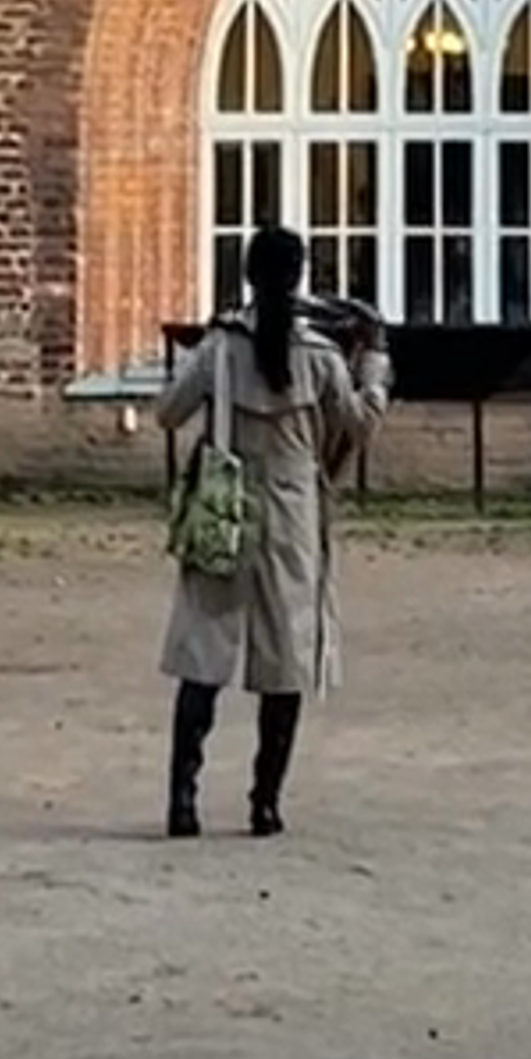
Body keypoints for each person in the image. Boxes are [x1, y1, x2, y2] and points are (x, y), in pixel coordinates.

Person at [158, 221, 382, 837]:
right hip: (292, 514)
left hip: (224, 506)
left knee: (203, 652)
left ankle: (183, 802)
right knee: (286, 657)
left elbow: (167, 412)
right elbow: (359, 426)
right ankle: (264, 804)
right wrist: (377, 370)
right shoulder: (321, 356)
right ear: (301, 276)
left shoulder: (223, 347)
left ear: (248, 273)